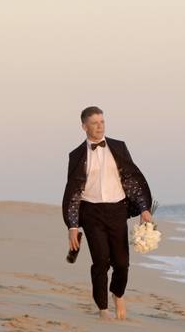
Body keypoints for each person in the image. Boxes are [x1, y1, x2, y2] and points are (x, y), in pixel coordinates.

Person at [62, 106, 153, 321]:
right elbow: (73, 192)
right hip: (91, 212)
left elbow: (132, 180)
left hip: (117, 209)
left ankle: (118, 293)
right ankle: (102, 307)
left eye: (102, 122)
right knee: (101, 261)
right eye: (95, 123)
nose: (100, 126)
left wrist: (144, 208)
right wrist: (72, 227)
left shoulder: (119, 147)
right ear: (84, 126)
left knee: (122, 262)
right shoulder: (75, 156)